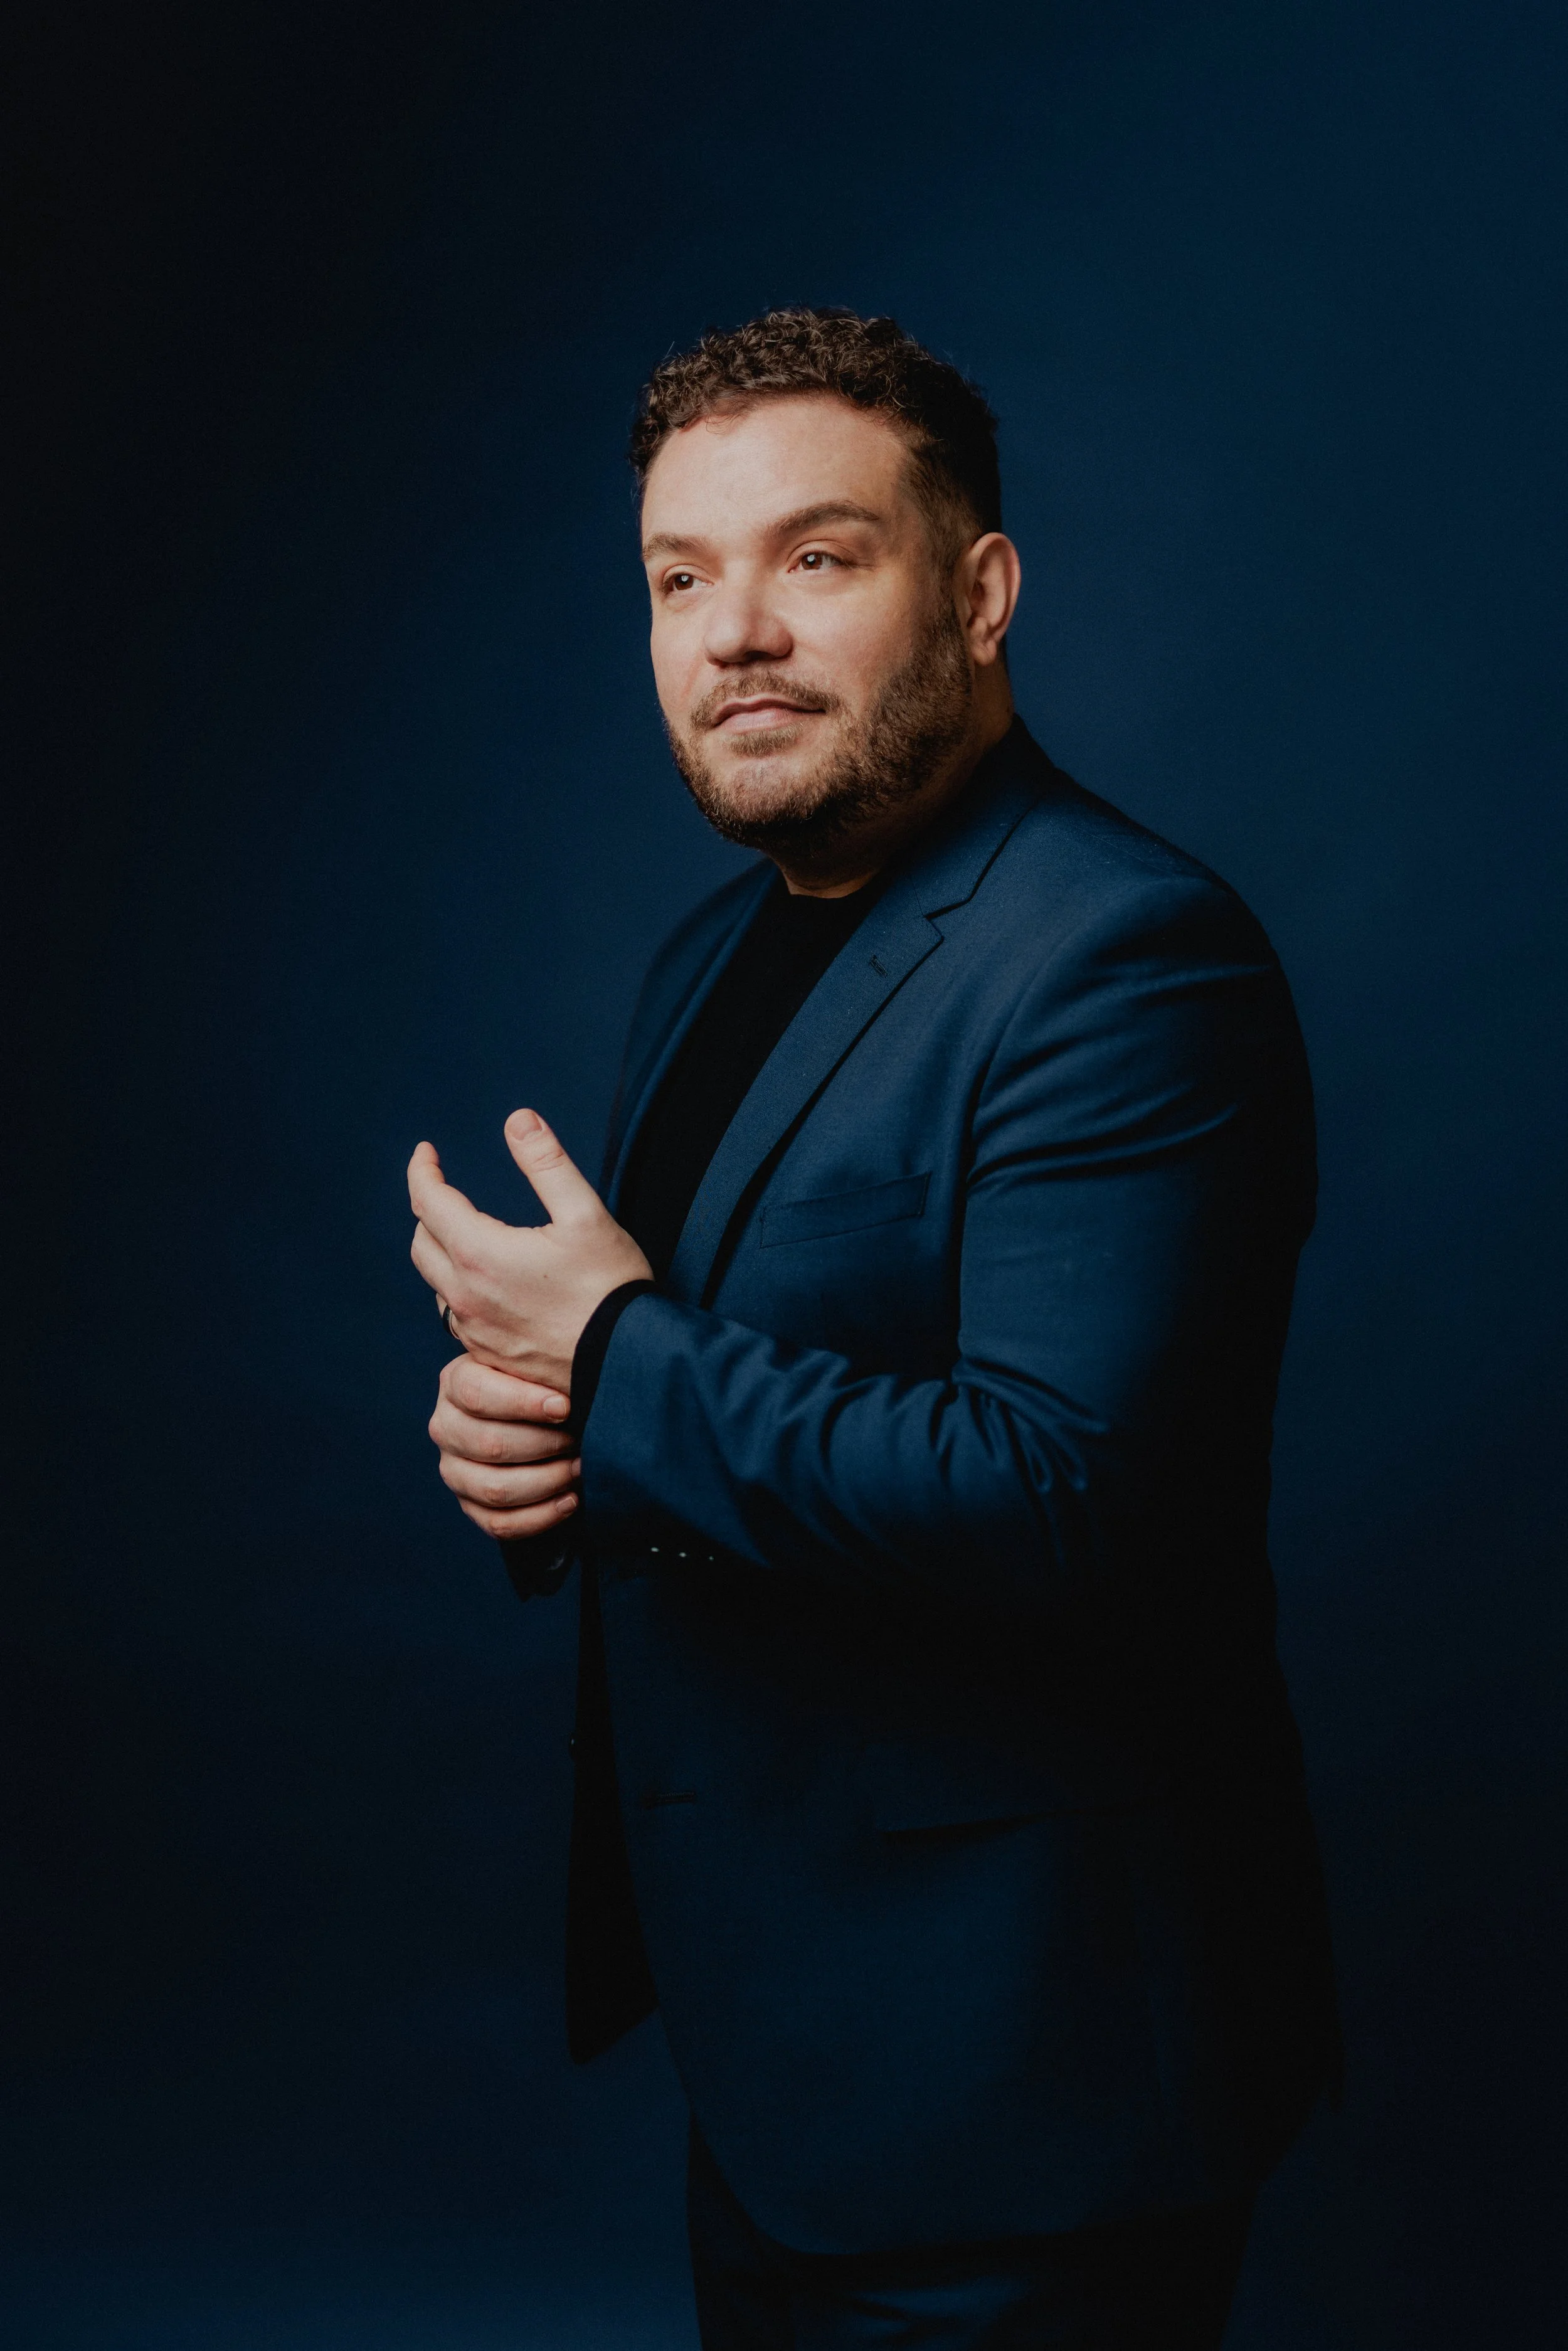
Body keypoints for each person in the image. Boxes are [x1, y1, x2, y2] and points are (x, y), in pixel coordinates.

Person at [408, 307, 1339, 2350]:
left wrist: (612, 1360)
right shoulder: (708, 949)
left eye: (817, 558)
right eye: (680, 577)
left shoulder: (1121, 957)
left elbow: (1059, 1494)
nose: (734, 628)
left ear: (981, 593)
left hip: (1030, 2077)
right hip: (781, 2047)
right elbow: (705, 1403)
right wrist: (541, 1466)